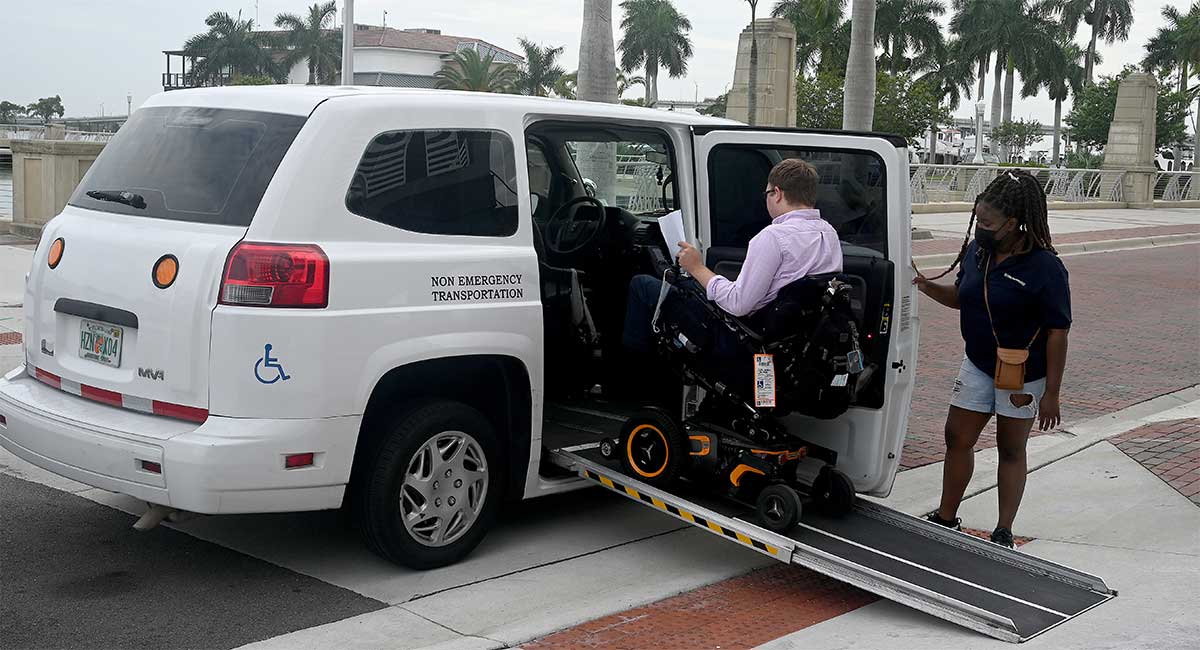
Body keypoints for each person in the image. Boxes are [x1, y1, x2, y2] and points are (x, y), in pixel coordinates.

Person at [913, 169, 1071, 548]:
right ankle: (946, 516)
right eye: (978, 218)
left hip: (1024, 373)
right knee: (957, 437)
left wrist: (1052, 392)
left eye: (988, 221)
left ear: (1014, 223)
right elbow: (961, 297)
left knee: (1011, 448)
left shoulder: (1045, 267)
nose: (979, 226)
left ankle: (1003, 530)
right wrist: (923, 285)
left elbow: (1058, 332)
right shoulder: (978, 252)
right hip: (978, 363)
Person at [621, 158, 843, 384]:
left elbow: (739, 304)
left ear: (777, 193)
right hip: (789, 342)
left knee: (642, 284)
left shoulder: (773, 238)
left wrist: (696, 267)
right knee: (685, 285)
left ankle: (635, 376)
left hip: (741, 341)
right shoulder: (828, 234)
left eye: (766, 193)